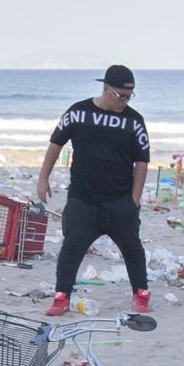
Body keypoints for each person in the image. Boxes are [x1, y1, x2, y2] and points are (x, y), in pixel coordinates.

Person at [36, 63, 152, 316]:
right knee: (72, 246)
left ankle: (141, 293)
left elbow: (142, 161)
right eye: (121, 95)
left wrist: (134, 199)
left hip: (120, 199)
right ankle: (61, 296)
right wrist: (43, 178)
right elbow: (55, 144)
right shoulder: (78, 112)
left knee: (132, 247)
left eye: (130, 95)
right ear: (106, 89)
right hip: (83, 199)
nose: (125, 100)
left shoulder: (134, 121)